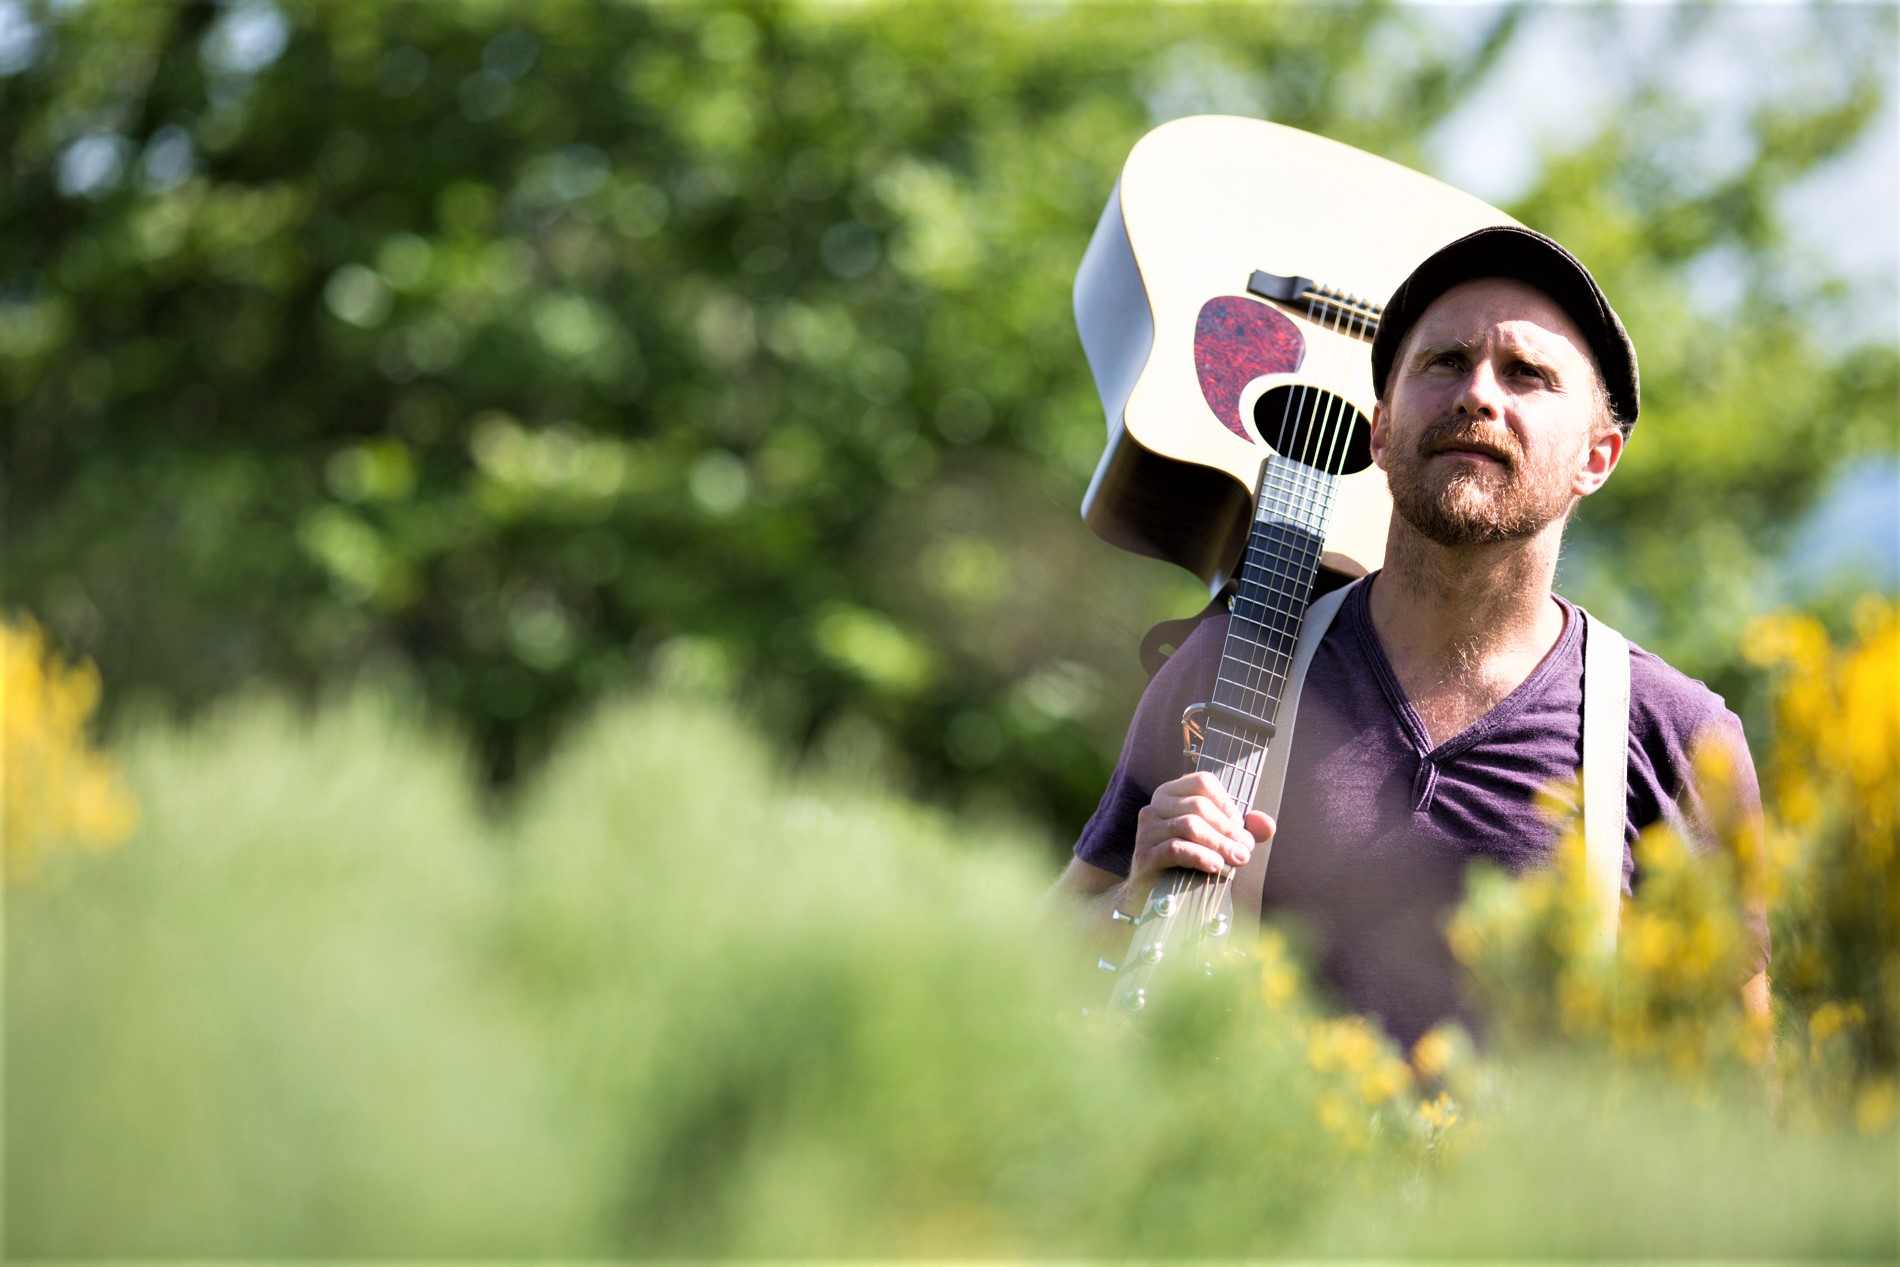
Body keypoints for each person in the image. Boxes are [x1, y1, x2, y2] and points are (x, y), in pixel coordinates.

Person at [1052, 225, 1769, 1048]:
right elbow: (1042, 964)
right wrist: (1136, 896)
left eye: (1527, 374)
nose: (1478, 394)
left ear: (1596, 458)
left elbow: (1741, 1080)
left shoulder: (1678, 733)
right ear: (1379, 432)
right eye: (1444, 362)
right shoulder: (1231, 662)